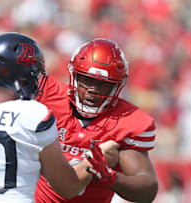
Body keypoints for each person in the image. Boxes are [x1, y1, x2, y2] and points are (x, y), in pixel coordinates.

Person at [0, 32, 111, 202]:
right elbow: (69, 187)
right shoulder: (33, 116)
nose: (36, 83)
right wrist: (95, 159)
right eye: (33, 76)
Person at [34, 38, 159, 203]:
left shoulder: (127, 122)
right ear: (74, 76)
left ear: (118, 86)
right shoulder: (47, 95)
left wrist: (112, 178)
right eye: (87, 80)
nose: (93, 89)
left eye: (103, 84)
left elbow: (147, 190)